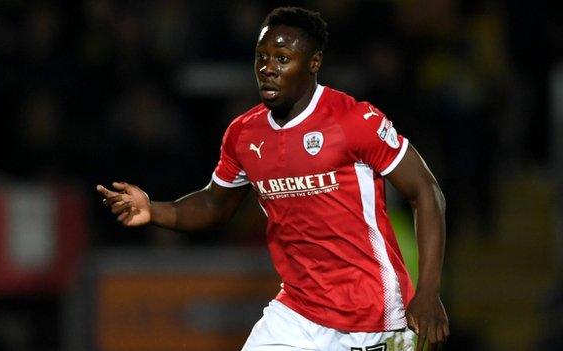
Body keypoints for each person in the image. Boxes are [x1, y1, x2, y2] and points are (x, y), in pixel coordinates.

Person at [97, 7, 449, 351]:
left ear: (313, 63)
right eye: (261, 57)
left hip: (371, 317)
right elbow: (213, 204)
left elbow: (426, 191)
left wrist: (429, 292)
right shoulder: (244, 134)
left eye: (282, 58)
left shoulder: (354, 120)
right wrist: (152, 210)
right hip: (297, 313)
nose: (267, 68)